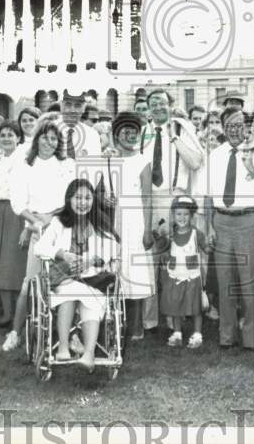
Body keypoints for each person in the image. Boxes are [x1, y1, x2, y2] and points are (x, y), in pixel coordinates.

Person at [202, 106, 254, 350]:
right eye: (229, 126)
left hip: (250, 220)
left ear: (247, 127)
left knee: (250, 283)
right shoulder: (216, 154)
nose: (234, 131)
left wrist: (252, 170)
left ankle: (251, 339)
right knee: (225, 283)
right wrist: (209, 227)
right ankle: (227, 337)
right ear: (223, 129)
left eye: (239, 126)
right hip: (221, 221)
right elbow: (207, 195)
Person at [1, 119, 77, 352]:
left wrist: (50, 216)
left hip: (63, 228)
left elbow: (71, 198)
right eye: (45, 137)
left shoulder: (67, 165)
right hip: (38, 230)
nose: (49, 142)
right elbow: (18, 202)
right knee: (30, 283)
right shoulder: (24, 165)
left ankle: (72, 334)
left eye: (54, 138)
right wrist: (35, 220)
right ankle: (15, 332)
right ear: (37, 139)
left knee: (68, 282)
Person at [33, 178, 120, 372]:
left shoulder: (99, 221)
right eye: (78, 197)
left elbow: (114, 247)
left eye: (87, 198)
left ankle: (88, 354)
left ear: (93, 200)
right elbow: (40, 247)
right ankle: (63, 348)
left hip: (92, 278)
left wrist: (90, 260)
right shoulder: (59, 222)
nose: (83, 202)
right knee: (68, 293)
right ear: (69, 199)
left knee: (91, 299)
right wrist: (62, 254)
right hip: (66, 276)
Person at [140, 88, 204, 332]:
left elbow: (196, 162)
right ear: (148, 107)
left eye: (162, 103)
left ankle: (173, 316)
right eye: (153, 103)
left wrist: (174, 139)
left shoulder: (181, 129)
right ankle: (150, 319)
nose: (158, 107)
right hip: (148, 199)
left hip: (174, 197)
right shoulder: (142, 132)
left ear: (170, 105)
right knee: (148, 260)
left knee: (173, 260)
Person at [96, 112, 154, 339]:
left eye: (134, 133)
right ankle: (114, 323)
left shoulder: (142, 161)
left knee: (135, 271)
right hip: (112, 221)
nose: (130, 136)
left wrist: (147, 229)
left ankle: (137, 327)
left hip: (135, 220)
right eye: (125, 132)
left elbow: (147, 198)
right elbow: (97, 192)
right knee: (113, 267)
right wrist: (103, 199)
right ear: (116, 135)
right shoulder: (107, 160)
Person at [0, 120, 30, 327]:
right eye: (3, 135)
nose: (6, 138)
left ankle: (23, 313)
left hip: (18, 212)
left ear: (19, 138)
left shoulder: (26, 159)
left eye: (11, 134)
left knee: (16, 261)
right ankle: (6, 313)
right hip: (0, 210)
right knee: (0, 260)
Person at [157, 195, 208, 349]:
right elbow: (164, 249)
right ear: (173, 215)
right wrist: (162, 245)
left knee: (195, 306)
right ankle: (177, 332)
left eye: (186, 214)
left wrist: (210, 245)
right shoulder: (171, 233)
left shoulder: (196, 234)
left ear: (191, 216)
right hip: (174, 275)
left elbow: (206, 248)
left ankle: (197, 333)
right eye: (179, 214)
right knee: (175, 305)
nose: (182, 218)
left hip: (192, 276)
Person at [59, 90, 102, 159]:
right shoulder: (50, 131)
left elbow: (95, 167)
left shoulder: (92, 135)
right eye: (68, 105)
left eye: (77, 105)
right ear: (61, 106)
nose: (72, 110)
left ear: (83, 108)